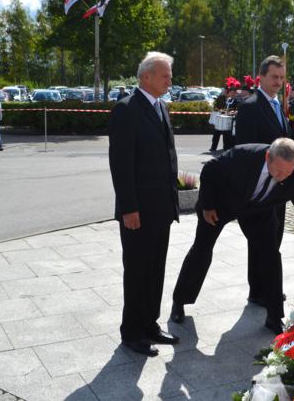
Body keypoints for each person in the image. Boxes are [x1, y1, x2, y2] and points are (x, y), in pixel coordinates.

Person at [170, 138, 294, 335]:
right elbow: (210, 170)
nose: (281, 177)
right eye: (277, 171)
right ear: (268, 156)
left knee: (270, 255)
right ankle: (180, 300)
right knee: (202, 249)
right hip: (221, 204)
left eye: (287, 172)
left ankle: (274, 316)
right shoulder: (243, 155)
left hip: (259, 211)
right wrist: (208, 205)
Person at [108, 51, 179, 357]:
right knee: (137, 271)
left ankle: (150, 323)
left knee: (156, 269)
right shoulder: (127, 109)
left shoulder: (160, 107)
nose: (169, 80)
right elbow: (121, 165)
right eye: (165, 75)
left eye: (170, 76)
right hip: (138, 209)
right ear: (146, 76)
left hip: (161, 208)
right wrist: (128, 208)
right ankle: (132, 331)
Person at [232, 55, 289, 307]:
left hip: (280, 185)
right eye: (274, 77)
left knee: (275, 236)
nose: (278, 82)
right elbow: (245, 151)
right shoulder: (250, 106)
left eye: (281, 78)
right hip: (260, 187)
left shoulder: (278, 105)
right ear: (261, 77)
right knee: (261, 239)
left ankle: (266, 285)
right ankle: (259, 290)